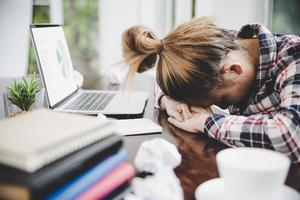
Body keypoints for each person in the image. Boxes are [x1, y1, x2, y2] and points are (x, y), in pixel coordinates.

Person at [121, 17, 300, 162]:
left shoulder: (294, 59)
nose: (221, 106)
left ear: (233, 69)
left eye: (221, 101)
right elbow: (169, 72)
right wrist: (169, 100)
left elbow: (290, 135)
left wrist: (206, 122)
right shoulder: (220, 49)